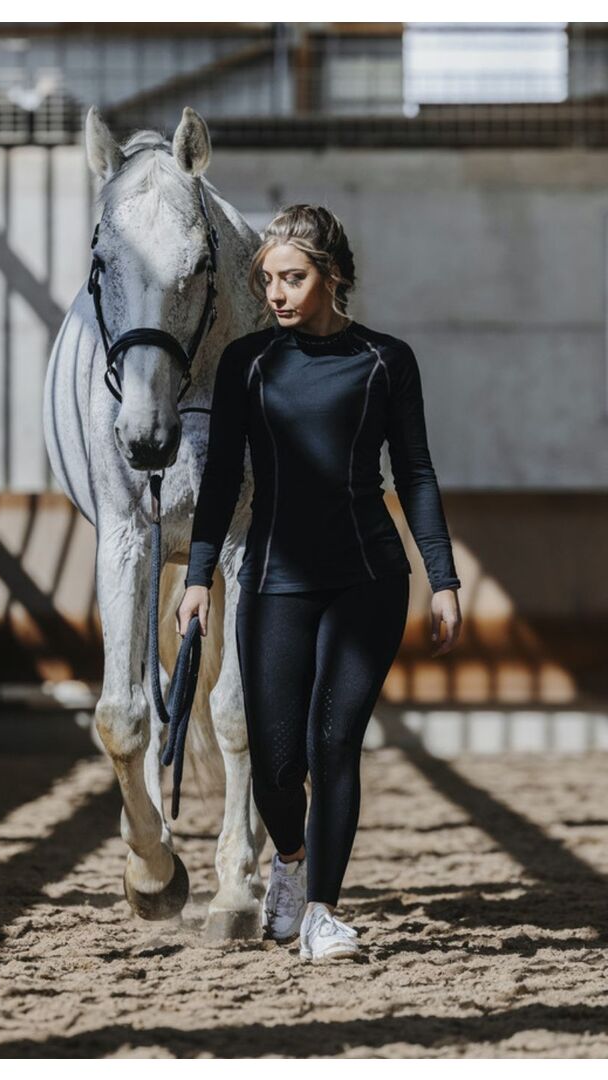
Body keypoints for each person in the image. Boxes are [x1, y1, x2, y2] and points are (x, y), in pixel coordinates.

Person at [176, 204, 463, 963]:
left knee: (333, 742)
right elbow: (218, 483)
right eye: (267, 279)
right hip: (274, 579)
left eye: (292, 277)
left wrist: (443, 577)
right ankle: (291, 864)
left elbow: (417, 472)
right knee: (276, 764)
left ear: (330, 277)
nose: (275, 292)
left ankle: (322, 913)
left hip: (368, 578)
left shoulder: (386, 361)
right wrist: (199, 576)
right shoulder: (248, 364)